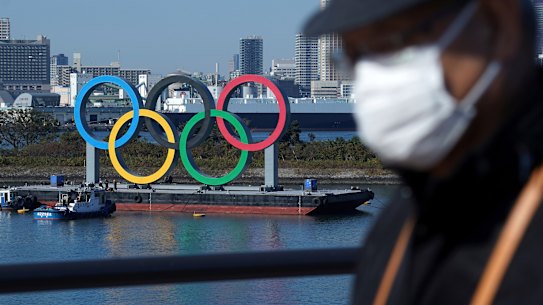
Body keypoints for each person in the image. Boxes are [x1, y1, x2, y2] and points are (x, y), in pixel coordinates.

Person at [304, 0, 543, 304]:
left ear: (499, 27)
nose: (374, 77)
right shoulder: (398, 225)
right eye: (355, 54)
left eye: (397, 40)